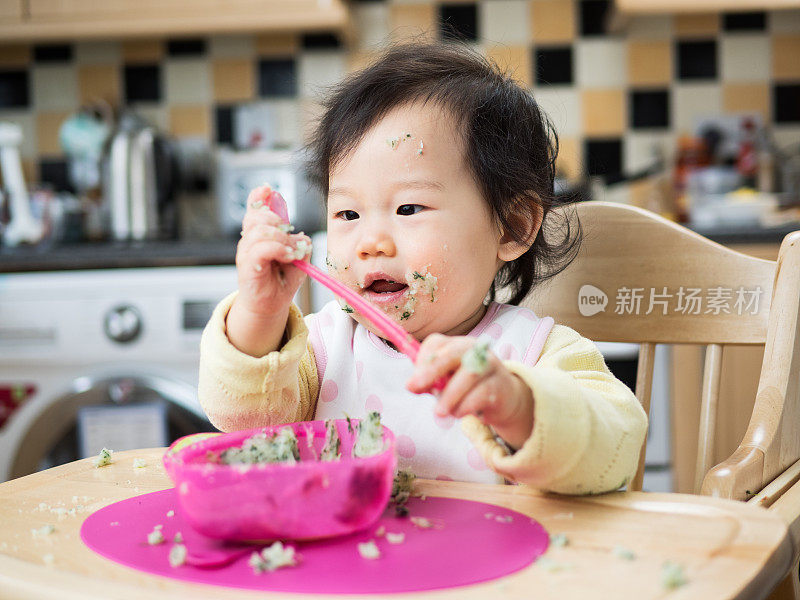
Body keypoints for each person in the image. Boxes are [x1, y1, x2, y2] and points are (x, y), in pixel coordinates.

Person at [199, 42, 647, 494]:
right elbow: (242, 419)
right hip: (350, 563)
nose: (370, 243)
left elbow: (617, 451)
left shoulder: (535, 354)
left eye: (409, 208)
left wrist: (518, 406)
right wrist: (259, 315)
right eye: (348, 215)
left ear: (511, 227)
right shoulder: (321, 352)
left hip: (495, 563)